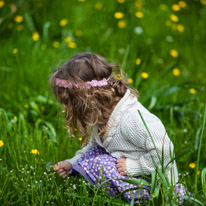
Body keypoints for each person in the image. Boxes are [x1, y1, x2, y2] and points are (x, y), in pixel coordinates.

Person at [51, 52, 186, 204]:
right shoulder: (101, 113)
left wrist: (134, 166)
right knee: (94, 154)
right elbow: (95, 145)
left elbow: (164, 150)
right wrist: (72, 162)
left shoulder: (131, 118)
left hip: (155, 181)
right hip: (127, 163)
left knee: (97, 165)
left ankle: (146, 199)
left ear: (87, 100)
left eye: (71, 105)